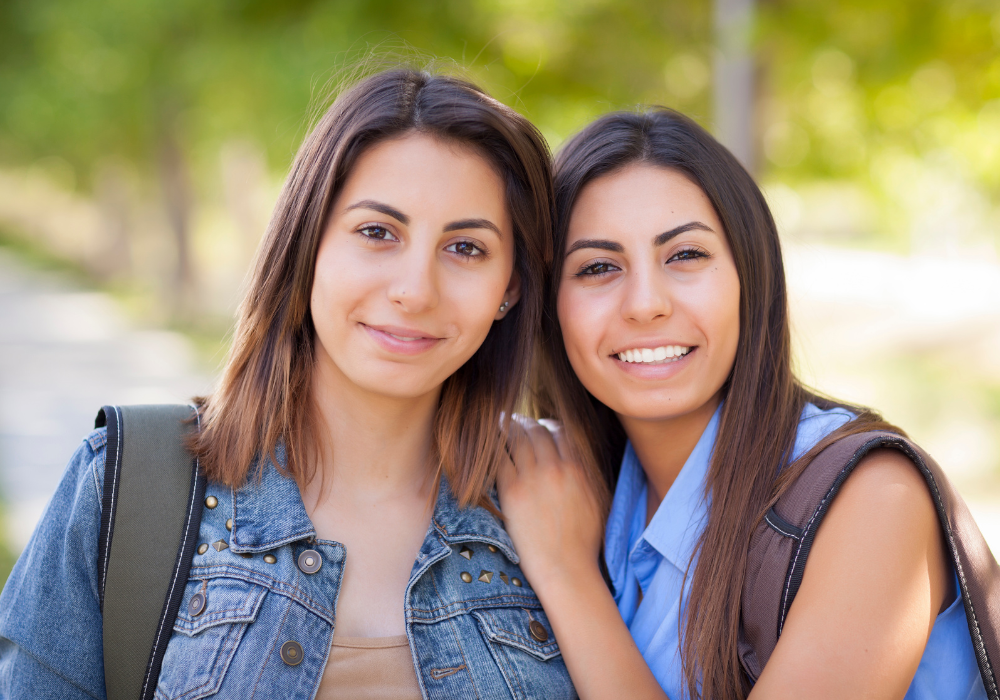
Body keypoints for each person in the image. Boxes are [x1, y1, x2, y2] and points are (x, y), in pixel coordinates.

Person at [0, 68, 577, 700]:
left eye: (466, 248)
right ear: (308, 243)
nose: (415, 290)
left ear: (511, 287)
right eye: (377, 232)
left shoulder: (557, 501)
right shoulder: (127, 485)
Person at [497, 108, 989, 700]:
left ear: (748, 277)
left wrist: (567, 575)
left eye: (685, 256)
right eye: (598, 267)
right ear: (549, 306)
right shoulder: (573, 484)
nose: (645, 303)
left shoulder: (873, 500)